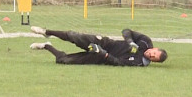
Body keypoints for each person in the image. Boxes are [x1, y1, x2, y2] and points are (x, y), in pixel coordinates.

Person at [28, 26, 167, 66]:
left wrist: (102, 53)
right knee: (73, 36)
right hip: (104, 43)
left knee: (63, 60)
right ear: (155, 48)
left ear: (153, 61)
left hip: (100, 57)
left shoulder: (139, 62)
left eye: (153, 58)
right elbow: (126, 31)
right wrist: (130, 41)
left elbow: (118, 62)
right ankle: (46, 32)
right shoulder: (145, 42)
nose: (151, 55)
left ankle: (46, 46)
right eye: (153, 53)